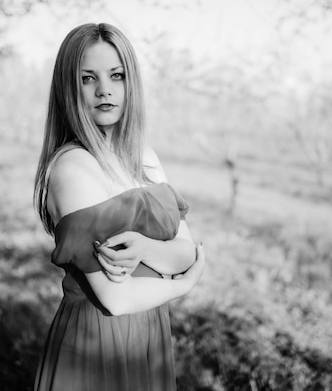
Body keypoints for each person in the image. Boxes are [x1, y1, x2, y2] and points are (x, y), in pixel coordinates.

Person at [32, 23, 206, 391]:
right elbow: (116, 297)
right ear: (69, 87)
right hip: (96, 346)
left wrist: (146, 249)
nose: (104, 90)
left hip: (149, 338)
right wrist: (182, 285)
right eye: (87, 78)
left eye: (116, 75)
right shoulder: (72, 168)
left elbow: (186, 251)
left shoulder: (145, 157)